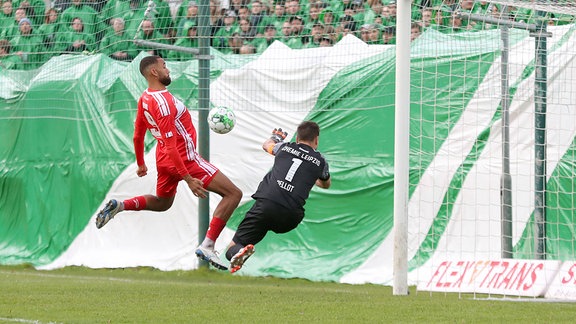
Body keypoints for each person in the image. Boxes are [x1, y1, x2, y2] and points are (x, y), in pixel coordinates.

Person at [95, 55, 242, 271]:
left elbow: (138, 135)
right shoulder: (164, 103)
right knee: (233, 194)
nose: (168, 70)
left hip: (164, 160)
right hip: (185, 160)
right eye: (164, 66)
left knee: (163, 203)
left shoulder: (145, 98)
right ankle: (208, 245)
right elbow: (173, 145)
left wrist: (141, 163)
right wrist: (188, 178)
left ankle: (121, 205)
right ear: (154, 72)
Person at [225, 122, 331, 273]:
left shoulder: (285, 148)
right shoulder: (321, 162)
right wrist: (309, 174)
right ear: (316, 140)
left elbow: (267, 145)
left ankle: (238, 252)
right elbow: (325, 184)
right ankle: (241, 251)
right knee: (272, 222)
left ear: (298, 137)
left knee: (234, 245)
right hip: (291, 217)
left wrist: (275, 137)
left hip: (266, 206)